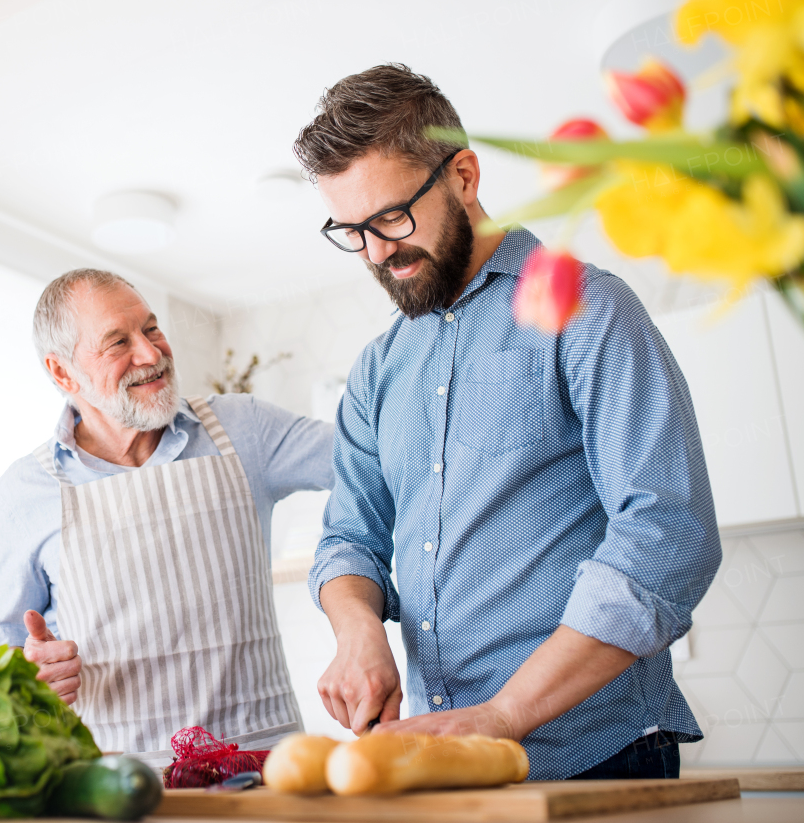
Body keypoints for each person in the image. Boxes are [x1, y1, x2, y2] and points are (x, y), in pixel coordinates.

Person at [293, 64, 721, 780]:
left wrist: (504, 713)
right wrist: (360, 630)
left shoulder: (588, 310)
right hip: (445, 757)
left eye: (391, 218)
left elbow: (667, 534)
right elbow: (348, 538)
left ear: (463, 174)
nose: (374, 252)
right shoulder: (376, 369)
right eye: (351, 230)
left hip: (600, 752)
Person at [0, 268, 334, 762]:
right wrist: (30, 681)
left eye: (151, 329)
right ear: (63, 374)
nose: (151, 354)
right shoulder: (24, 492)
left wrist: (352, 598)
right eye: (117, 342)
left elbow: (376, 463)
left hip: (266, 779)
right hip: (114, 791)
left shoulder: (243, 429)